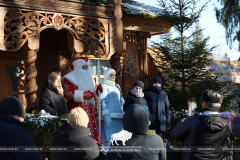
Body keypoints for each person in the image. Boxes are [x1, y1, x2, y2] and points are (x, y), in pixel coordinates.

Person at [171, 89, 231, 160]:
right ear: (219, 106)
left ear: (204, 104)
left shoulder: (192, 120)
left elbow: (175, 134)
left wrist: (185, 120)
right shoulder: (227, 122)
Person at [63, 57, 102, 142]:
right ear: (77, 68)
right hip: (78, 113)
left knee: (93, 136)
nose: (85, 69)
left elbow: (94, 97)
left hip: (90, 113)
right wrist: (83, 94)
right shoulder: (69, 78)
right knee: (80, 135)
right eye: (83, 67)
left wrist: (98, 92)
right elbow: (68, 94)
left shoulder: (91, 80)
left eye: (86, 67)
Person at [101, 67, 125, 147]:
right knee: (110, 140)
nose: (114, 77)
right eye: (111, 75)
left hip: (119, 118)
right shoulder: (104, 86)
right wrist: (106, 115)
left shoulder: (117, 87)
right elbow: (103, 101)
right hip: (110, 118)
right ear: (107, 76)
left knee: (119, 140)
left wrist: (121, 101)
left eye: (114, 75)